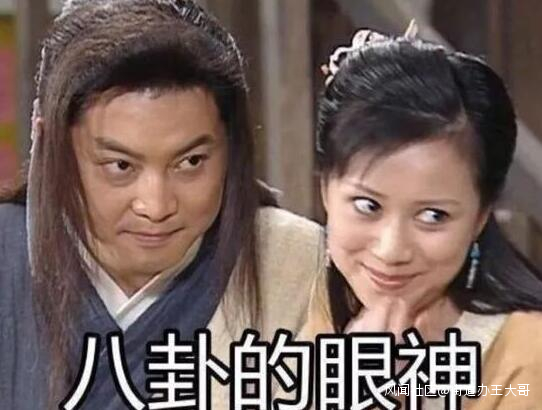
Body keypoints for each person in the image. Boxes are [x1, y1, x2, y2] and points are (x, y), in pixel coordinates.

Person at [0, 0, 323, 408]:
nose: (156, 206)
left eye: (191, 162)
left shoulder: (299, 261)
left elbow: (405, 389)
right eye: (120, 166)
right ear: (49, 144)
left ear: (232, 147)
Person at [303, 26, 542, 409]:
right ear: (325, 190)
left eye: (433, 215)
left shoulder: (528, 355)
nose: (391, 250)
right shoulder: (330, 302)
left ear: (480, 217)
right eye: (368, 206)